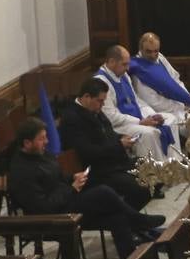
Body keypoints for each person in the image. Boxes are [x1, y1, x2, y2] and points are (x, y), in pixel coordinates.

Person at [8, 117, 164, 259]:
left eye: (45, 137)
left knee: (118, 217)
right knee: (103, 192)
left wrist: (73, 178)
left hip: (66, 203)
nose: (47, 141)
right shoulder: (21, 172)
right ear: (27, 143)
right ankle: (138, 220)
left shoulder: (41, 154)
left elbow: (58, 177)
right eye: (41, 139)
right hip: (52, 217)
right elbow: (42, 207)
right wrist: (72, 189)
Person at [58, 77, 151, 210]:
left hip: (114, 163)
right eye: (100, 101)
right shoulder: (72, 118)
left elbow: (108, 133)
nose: (102, 105)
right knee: (139, 186)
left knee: (153, 170)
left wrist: (122, 137)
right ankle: (129, 219)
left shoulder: (94, 109)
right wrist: (119, 145)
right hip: (98, 171)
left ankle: (130, 217)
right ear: (86, 97)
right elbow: (87, 152)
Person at [95, 45, 182, 162]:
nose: (128, 68)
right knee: (150, 133)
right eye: (124, 64)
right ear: (111, 62)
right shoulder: (101, 81)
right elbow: (111, 116)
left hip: (138, 120)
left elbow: (136, 100)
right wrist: (140, 122)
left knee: (170, 119)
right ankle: (156, 172)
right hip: (120, 126)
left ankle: (175, 164)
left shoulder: (124, 75)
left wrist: (151, 116)